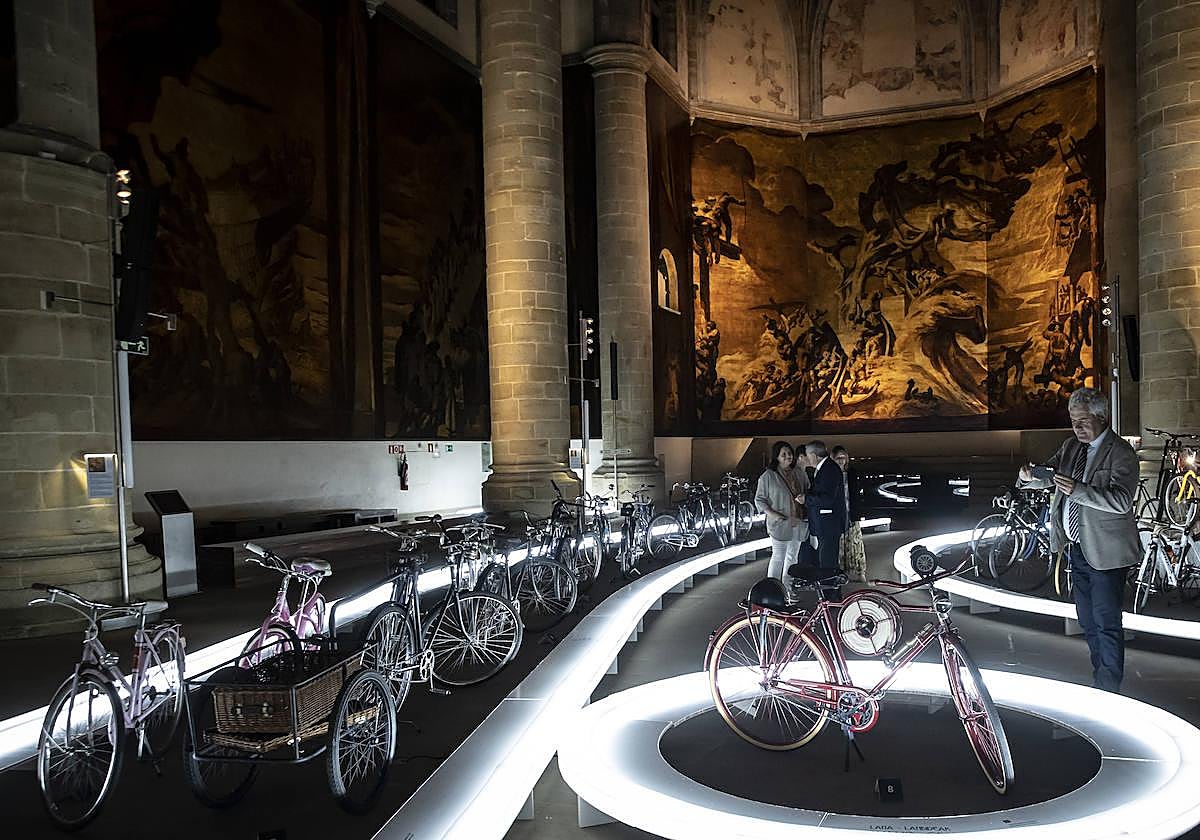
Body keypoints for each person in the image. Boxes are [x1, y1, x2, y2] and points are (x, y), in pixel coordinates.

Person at [1017, 387, 1139, 693]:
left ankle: (1108, 688)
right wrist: (1028, 476)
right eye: (1073, 420)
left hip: (1106, 552)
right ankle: (1101, 678)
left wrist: (1078, 490)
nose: (1077, 427)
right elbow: (1051, 474)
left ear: (1101, 417)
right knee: (1086, 619)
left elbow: (1122, 501)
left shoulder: (1121, 452)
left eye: (1083, 420)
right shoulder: (1071, 447)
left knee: (1106, 621)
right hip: (1077, 549)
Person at [755, 441, 807, 592]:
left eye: (789, 453)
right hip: (779, 522)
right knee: (778, 556)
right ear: (776, 457)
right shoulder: (768, 476)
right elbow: (759, 499)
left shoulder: (799, 473)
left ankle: (788, 590)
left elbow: (807, 489)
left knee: (792, 557)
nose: (788, 457)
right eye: (783, 454)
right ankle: (772, 590)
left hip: (797, 520)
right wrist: (772, 514)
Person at [801, 440, 848, 594]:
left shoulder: (829, 469)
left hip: (829, 524)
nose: (807, 459)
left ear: (814, 455)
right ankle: (831, 595)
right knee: (827, 560)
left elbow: (827, 499)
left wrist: (806, 499)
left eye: (808, 455)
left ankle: (831, 597)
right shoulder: (826, 468)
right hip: (827, 524)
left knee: (828, 562)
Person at [832, 445, 868, 582]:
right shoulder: (831, 474)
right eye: (838, 458)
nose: (841, 460)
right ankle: (841, 572)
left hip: (852, 512)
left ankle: (860, 571)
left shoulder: (852, 472)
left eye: (844, 457)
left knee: (856, 543)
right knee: (840, 545)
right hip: (838, 514)